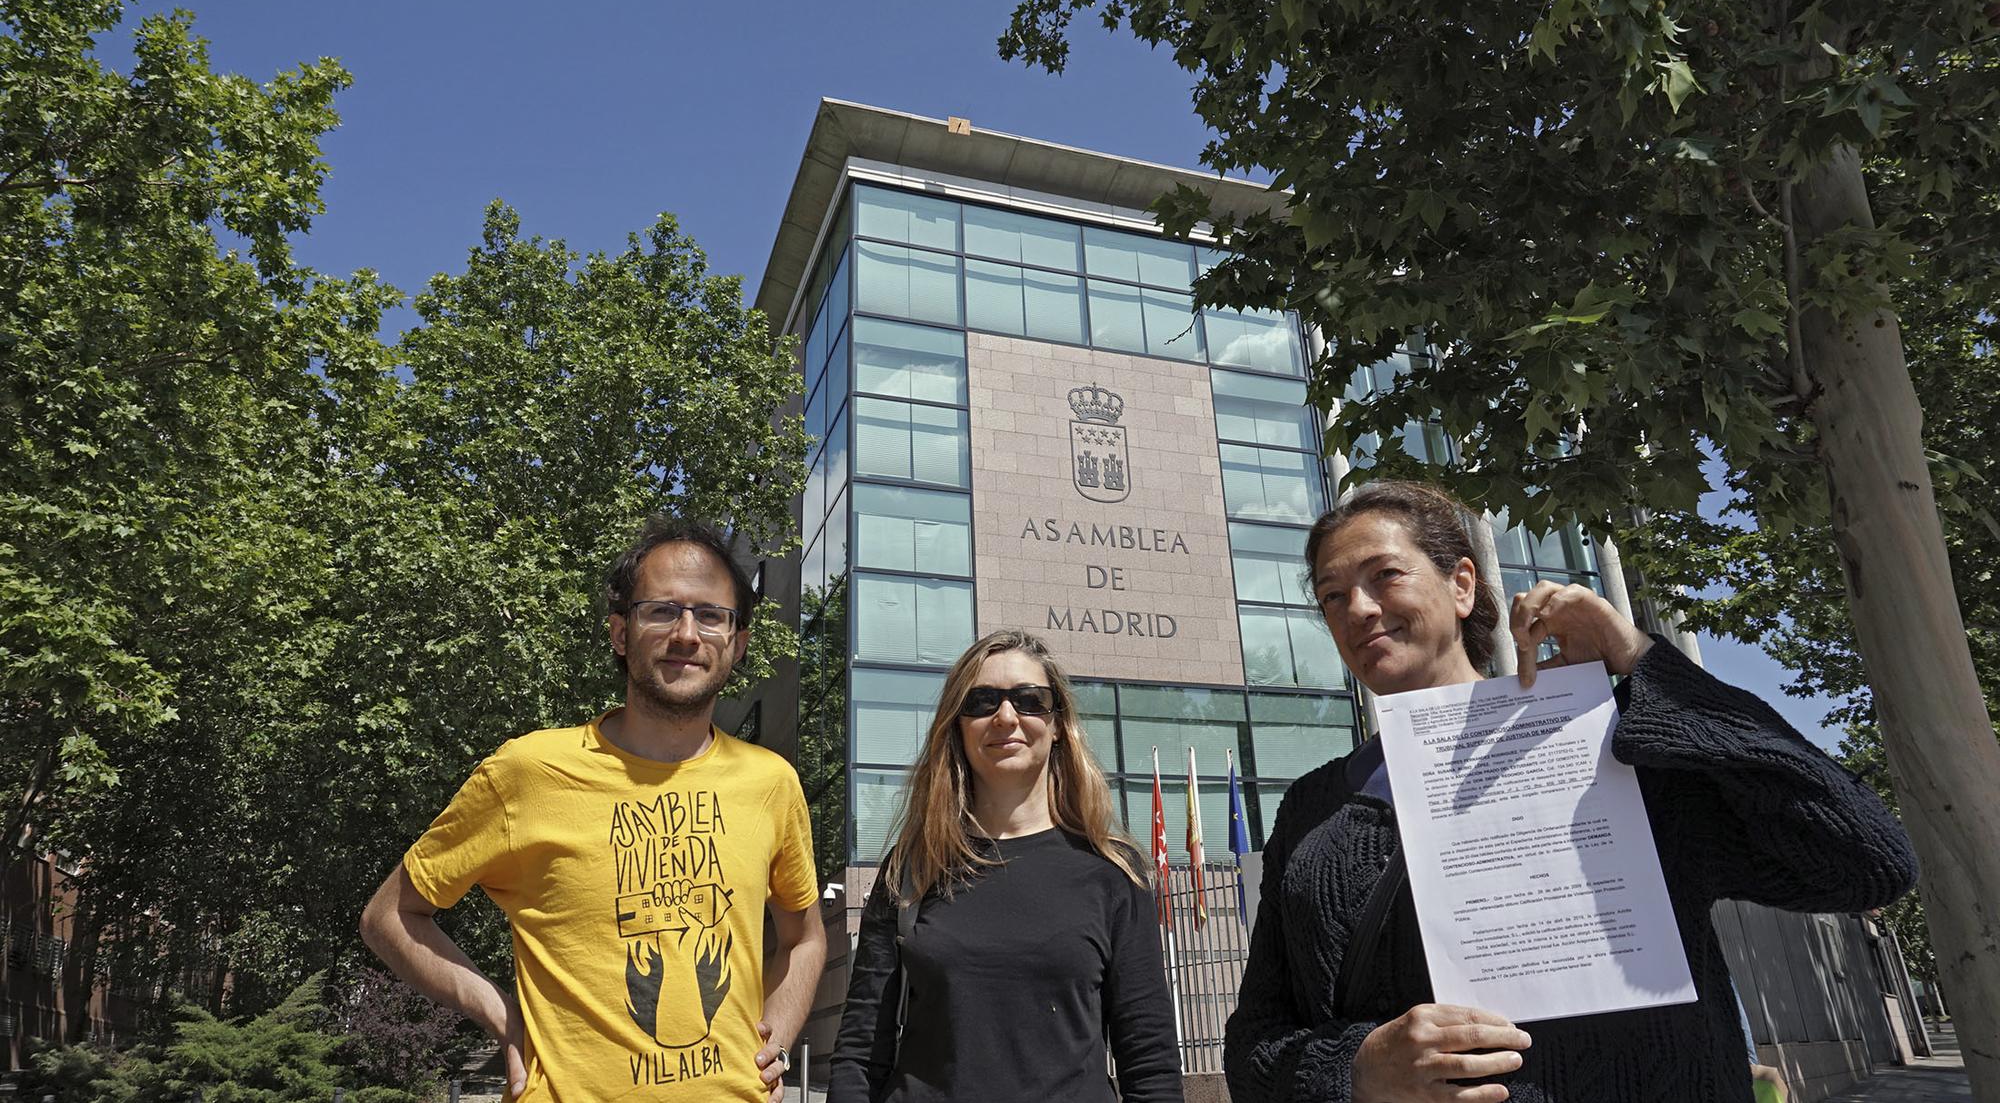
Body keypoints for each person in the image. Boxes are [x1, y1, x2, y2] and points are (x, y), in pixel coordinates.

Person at [1223, 482, 1917, 1103]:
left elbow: (1865, 856)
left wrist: (1642, 659)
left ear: (1462, 584)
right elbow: (1254, 1045)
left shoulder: (1612, 748)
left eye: (1385, 576)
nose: (1360, 610)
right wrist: (1359, 1069)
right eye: (1332, 596)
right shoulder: (1314, 810)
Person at [360, 516, 826, 1103]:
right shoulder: (527, 772)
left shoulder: (771, 783)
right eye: (661, 610)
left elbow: (805, 938)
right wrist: (501, 1013)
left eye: (711, 615)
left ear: (737, 642)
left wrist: (775, 1042)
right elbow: (391, 916)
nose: (687, 633)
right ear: (619, 633)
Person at [828, 629, 1184, 1103]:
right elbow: (860, 1050)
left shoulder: (1114, 871)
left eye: (1030, 700)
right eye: (981, 701)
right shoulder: (914, 865)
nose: (1006, 716)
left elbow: (1150, 1062)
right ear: (957, 724)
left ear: (1058, 725)